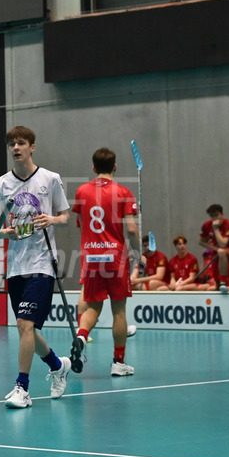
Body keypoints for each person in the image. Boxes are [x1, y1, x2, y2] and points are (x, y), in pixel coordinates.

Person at [0, 126, 72, 409]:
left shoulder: (51, 179)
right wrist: (4, 233)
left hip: (42, 263)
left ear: (32, 147)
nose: (16, 148)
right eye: (11, 143)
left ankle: (22, 388)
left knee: (24, 324)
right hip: (15, 266)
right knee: (28, 329)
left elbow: (65, 216)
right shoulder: (1, 184)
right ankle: (58, 365)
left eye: (21, 143)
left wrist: (52, 220)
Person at [72, 148, 140, 376]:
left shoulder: (82, 191)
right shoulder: (123, 192)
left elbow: (81, 223)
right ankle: (118, 362)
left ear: (93, 168)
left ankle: (81, 335)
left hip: (91, 257)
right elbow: (131, 229)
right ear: (115, 167)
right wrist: (139, 253)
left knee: (92, 306)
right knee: (119, 310)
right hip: (116, 259)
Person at [199, 204, 229, 291]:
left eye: (216, 215)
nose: (214, 218)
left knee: (222, 251)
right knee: (217, 284)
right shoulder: (206, 225)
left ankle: (223, 281)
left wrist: (216, 229)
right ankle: (220, 285)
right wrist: (214, 248)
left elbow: (223, 244)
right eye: (212, 216)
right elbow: (201, 242)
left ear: (222, 214)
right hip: (216, 252)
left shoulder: (228, 224)